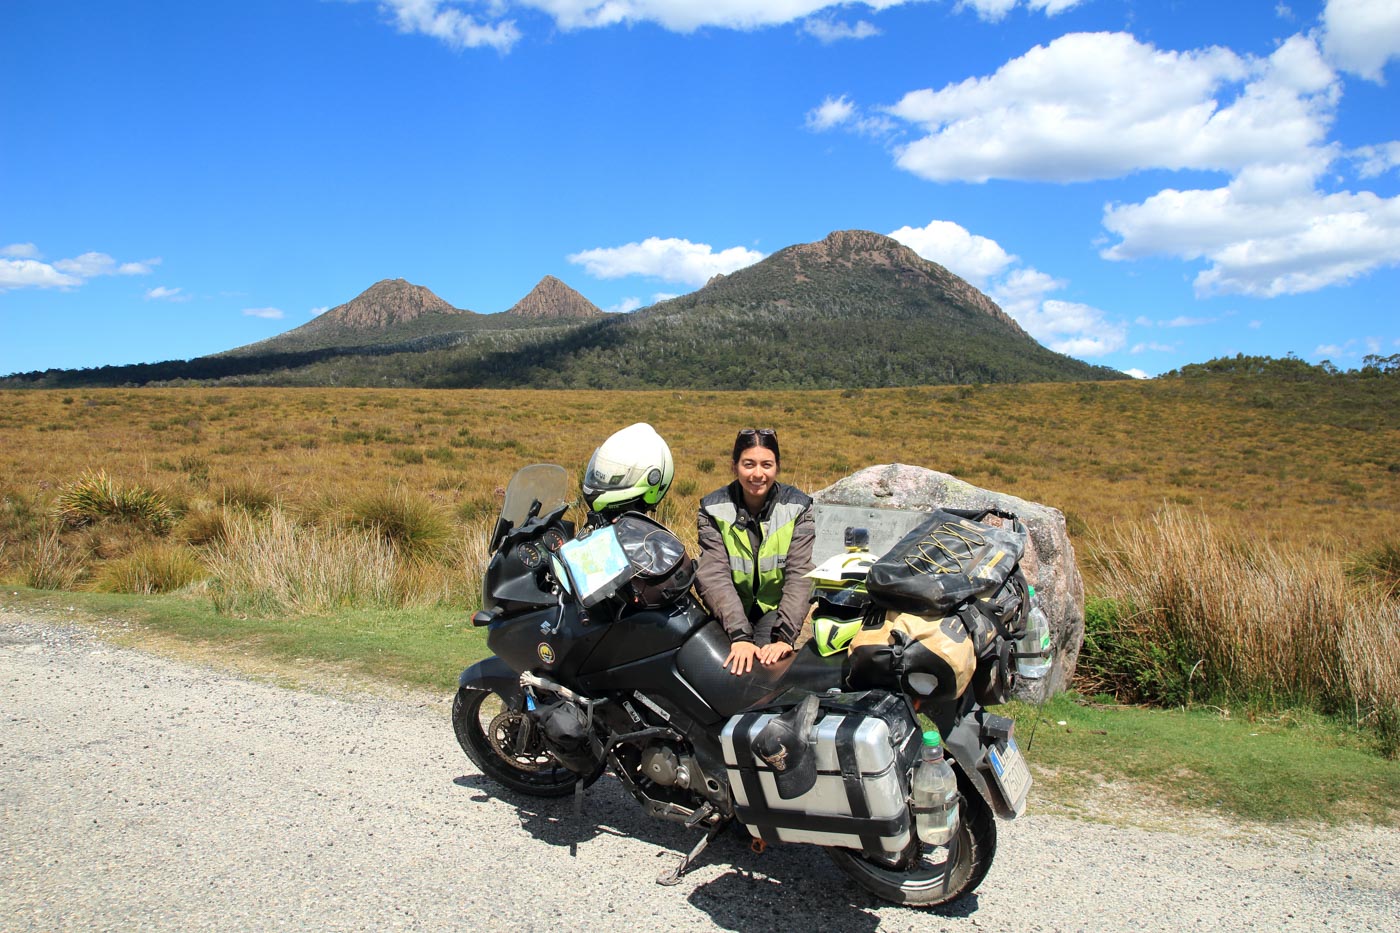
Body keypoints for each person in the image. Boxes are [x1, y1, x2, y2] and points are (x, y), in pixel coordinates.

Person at [695, 428, 815, 675]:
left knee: (767, 670)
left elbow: (800, 574)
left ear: (777, 467)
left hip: (774, 611)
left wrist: (785, 637)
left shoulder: (798, 507)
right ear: (735, 466)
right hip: (730, 609)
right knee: (722, 670)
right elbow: (713, 575)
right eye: (748, 464)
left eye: (766, 465)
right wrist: (739, 635)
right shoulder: (713, 509)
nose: (758, 474)